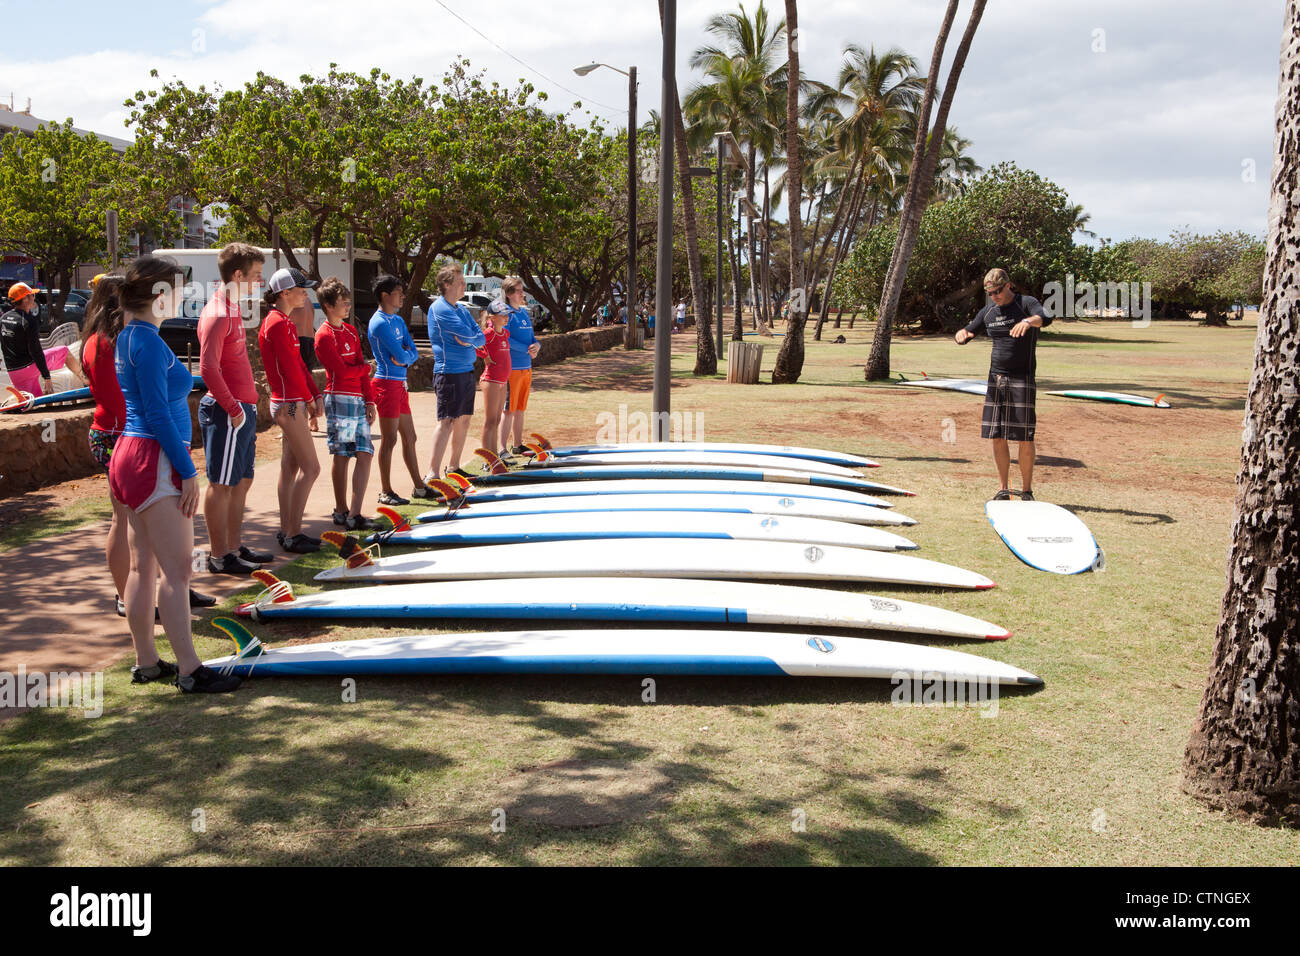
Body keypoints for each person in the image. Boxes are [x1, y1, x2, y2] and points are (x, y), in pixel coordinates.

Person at [110, 256, 238, 693]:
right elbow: (158, 415)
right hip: (154, 456)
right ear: (160, 295)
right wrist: (187, 472)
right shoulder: (146, 341)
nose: (183, 298)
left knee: (143, 566)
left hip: (131, 455)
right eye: (179, 291)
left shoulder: (129, 337)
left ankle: (148, 662)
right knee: (177, 572)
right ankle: (189, 669)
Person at [197, 242, 274, 576]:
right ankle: (219, 555)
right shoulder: (216, 313)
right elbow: (208, 368)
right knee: (221, 483)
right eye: (255, 275)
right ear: (237, 274)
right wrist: (233, 408)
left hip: (241, 410)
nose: (260, 281)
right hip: (228, 412)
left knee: (241, 480)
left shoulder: (231, 308)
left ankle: (232, 546)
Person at [955, 268, 1053, 501]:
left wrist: (1028, 322)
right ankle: (1003, 489)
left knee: (1024, 436)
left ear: (1008, 285)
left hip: (1022, 377)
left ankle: (1027, 491)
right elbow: (970, 328)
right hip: (996, 379)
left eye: (998, 291)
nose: (994, 296)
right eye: (990, 293)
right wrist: (963, 333)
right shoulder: (989, 310)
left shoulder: (1025, 303)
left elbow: (1046, 317)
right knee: (997, 435)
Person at [258, 268, 323, 553]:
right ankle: (292, 532)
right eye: (301, 289)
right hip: (289, 404)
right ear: (285, 293)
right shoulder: (278, 323)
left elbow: (298, 364)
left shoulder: (282, 321)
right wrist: (309, 400)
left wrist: (313, 393)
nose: (305, 294)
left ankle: (288, 530)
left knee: (291, 468)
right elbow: (290, 368)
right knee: (311, 468)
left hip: (290, 401)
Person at [314, 277, 378, 530]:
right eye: (343, 302)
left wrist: (370, 400)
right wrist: (363, 369)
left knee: (364, 453)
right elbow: (342, 372)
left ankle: (355, 512)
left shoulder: (350, 331)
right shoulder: (324, 336)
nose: (348, 306)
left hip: (357, 400)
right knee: (342, 454)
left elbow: (359, 372)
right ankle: (341, 509)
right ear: (328, 305)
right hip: (339, 399)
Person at [366, 274, 431, 505]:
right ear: (385, 295)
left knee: (410, 437)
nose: (403, 296)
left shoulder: (398, 320)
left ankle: (420, 487)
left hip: (399, 384)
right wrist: (406, 356)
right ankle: (386, 491)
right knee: (389, 439)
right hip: (386, 384)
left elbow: (409, 353)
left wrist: (406, 357)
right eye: (398, 292)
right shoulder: (380, 322)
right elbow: (402, 354)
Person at [426, 264, 485, 481]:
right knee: (447, 421)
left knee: (464, 419)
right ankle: (432, 473)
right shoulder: (439, 309)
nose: (464, 285)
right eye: (460, 282)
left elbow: (480, 337)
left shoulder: (460, 309)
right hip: (448, 373)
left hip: (466, 372)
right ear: (446, 284)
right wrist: (470, 339)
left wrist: (470, 339)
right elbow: (469, 335)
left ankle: (454, 466)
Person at [1, 282, 86, 395]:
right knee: (64, 351)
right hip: (28, 367)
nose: (34, 298)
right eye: (32, 295)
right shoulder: (28, 320)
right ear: (25, 299)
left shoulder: (4, 318)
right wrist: (47, 376)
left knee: (34, 400)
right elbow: (35, 351)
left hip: (13, 372)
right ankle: (87, 381)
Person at [497, 276, 541, 454]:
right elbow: (505, 338)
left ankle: (517, 444)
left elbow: (532, 338)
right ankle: (501, 448)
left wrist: (537, 346)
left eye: (522, 289)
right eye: (518, 290)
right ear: (508, 294)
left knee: (520, 408)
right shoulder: (505, 314)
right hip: (511, 369)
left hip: (526, 367)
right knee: (508, 410)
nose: (522, 293)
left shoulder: (523, 313)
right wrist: (526, 349)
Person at [477, 297, 511, 456]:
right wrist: (485, 356)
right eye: (502, 314)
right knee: (490, 421)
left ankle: (494, 455)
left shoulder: (505, 333)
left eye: (507, 314)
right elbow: (476, 344)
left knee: (497, 420)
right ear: (492, 317)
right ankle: (488, 458)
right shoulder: (489, 333)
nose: (506, 317)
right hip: (491, 380)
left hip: (502, 381)